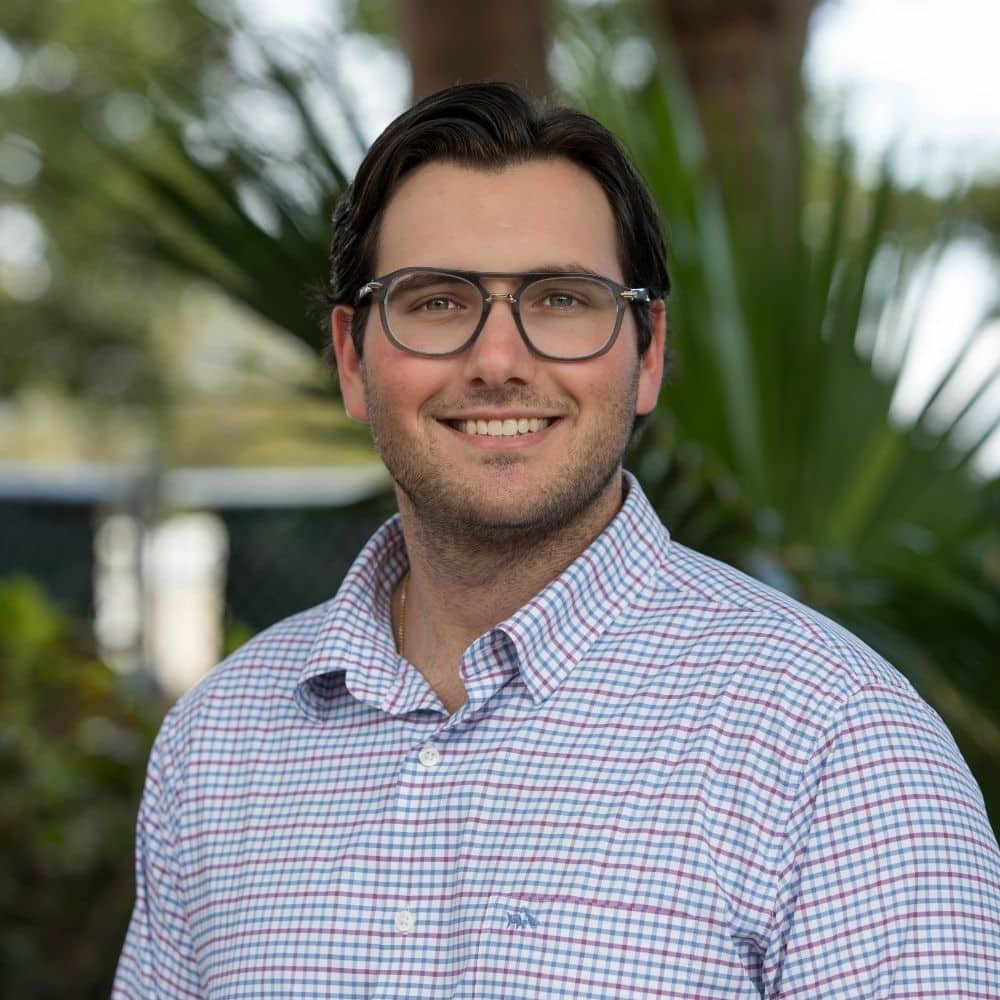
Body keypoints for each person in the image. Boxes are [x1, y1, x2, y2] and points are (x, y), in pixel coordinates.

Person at [114, 82, 1000, 999]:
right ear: (351, 356)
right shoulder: (217, 743)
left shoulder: (838, 746)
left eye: (563, 299)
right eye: (436, 301)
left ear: (647, 351)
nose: (499, 361)